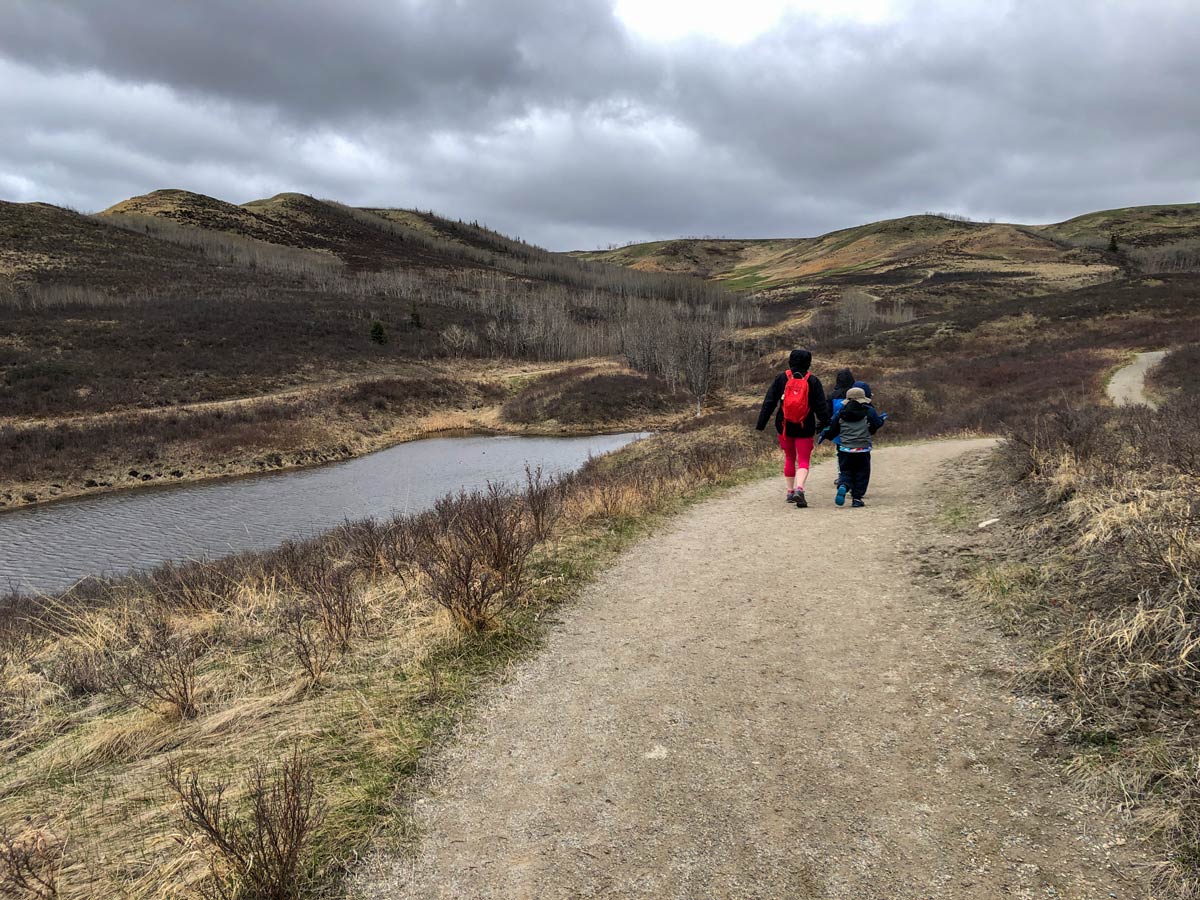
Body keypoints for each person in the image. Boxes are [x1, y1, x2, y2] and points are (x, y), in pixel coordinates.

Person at [756, 348, 828, 508]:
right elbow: (821, 406)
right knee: (803, 461)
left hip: (784, 426)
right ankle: (800, 489)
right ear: (809, 363)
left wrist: (761, 423)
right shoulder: (813, 381)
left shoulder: (781, 378)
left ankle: (789, 491)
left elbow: (769, 402)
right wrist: (824, 423)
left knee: (789, 457)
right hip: (805, 426)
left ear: (790, 360)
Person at [823, 386, 886, 508]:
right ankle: (857, 498)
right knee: (862, 473)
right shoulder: (869, 411)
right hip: (863, 449)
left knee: (846, 470)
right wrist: (881, 420)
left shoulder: (841, 413)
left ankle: (843, 485)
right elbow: (876, 425)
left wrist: (825, 434)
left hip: (845, 448)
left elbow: (833, 430)